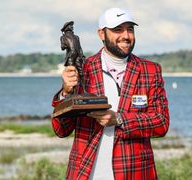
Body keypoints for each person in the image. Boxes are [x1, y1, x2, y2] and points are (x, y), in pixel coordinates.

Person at [51, 7, 169, 180]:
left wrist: (119, 119)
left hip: (136, 173)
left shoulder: (150, 70)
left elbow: (161, 123)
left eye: (130, 29)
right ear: (101, 34)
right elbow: (61, 130)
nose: (126, 36)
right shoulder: (82, 69)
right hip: (86, 174)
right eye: (117, 30)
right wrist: (65, 92)